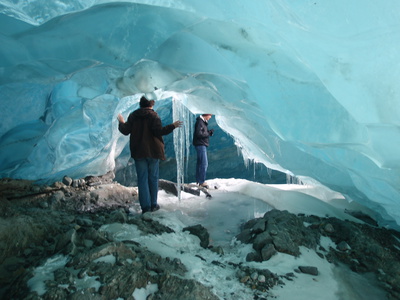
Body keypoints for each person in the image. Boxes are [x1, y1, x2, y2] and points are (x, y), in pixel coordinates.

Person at [117, 96, 183, 214]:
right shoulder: (154, 116)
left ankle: (145, 207)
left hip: (139, 152)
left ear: (140, 103)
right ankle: (153, 204)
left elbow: (126, 130)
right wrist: (172, 126)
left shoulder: (133, 116)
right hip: (153, 151)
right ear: (152, 104)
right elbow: (159, 132)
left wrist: (121, 122)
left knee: (142, 179)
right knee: (153, 178)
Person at [192, 114, 214, 188]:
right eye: (210, 115)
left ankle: (199, 180)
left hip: (201, 144)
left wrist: (208, 132)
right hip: (200, 144)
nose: (210, 117)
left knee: (200, 163)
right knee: (204, 163)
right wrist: (208, 133)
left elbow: (201, 132)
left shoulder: (202, 122)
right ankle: (201, 181)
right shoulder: (200, 122)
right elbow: (198, 134)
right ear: (206, 114)